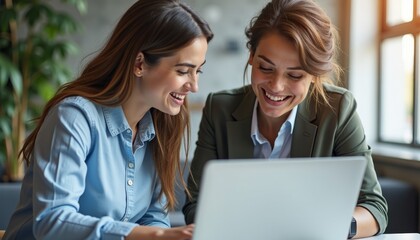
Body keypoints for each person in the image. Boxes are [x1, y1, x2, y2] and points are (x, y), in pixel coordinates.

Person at [3, 0, 213, 239]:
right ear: (139, 64)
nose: (194, 86)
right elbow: (53, 222)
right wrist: (155, 235)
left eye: (198, 71)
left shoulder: (162, 125)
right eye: (183, 71)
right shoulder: (74, 118)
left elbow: (154, 217)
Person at [182, 0, 387, 239]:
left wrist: (331, 225)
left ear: (315, 74)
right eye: (265, 68)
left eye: (295, 75)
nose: (276, 87)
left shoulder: (337, 109)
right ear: (251, 56)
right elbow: (195, 204)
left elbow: (375, 209)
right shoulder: (220, 108)